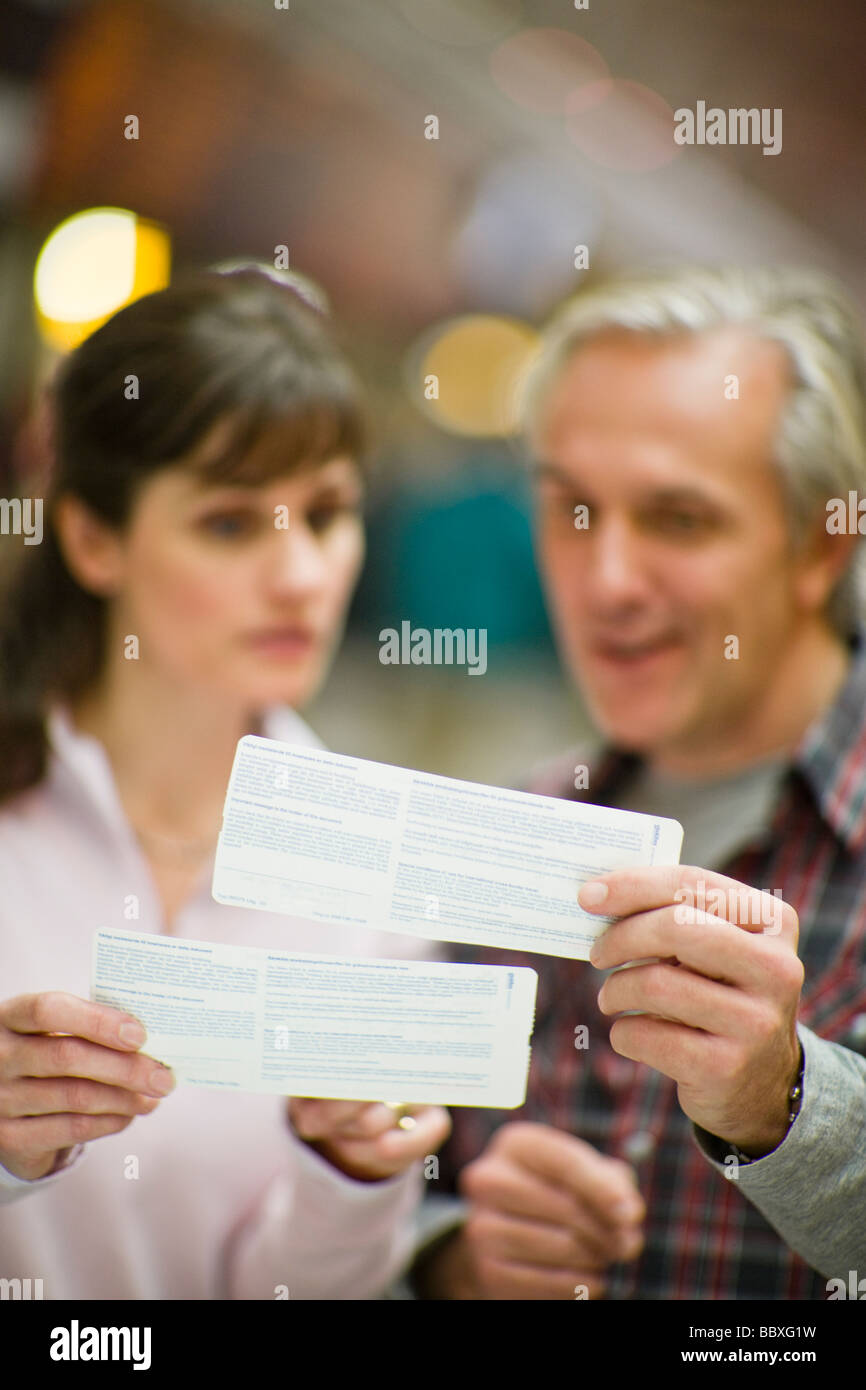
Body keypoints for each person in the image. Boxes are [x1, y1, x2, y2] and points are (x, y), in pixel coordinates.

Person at [410, 265, 866, 1299]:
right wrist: (451, 1261)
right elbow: (410, 1189)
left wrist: (782, 1106)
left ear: (817, 545)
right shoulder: (503, 838)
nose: (606, 579)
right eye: (571, 508)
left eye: (677, 519)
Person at [0, 265, 449, 1300]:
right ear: (91, 537)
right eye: (233, 522)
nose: (301, 574)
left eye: (328, 512)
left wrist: (353, 1174)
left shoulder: (383, 874)